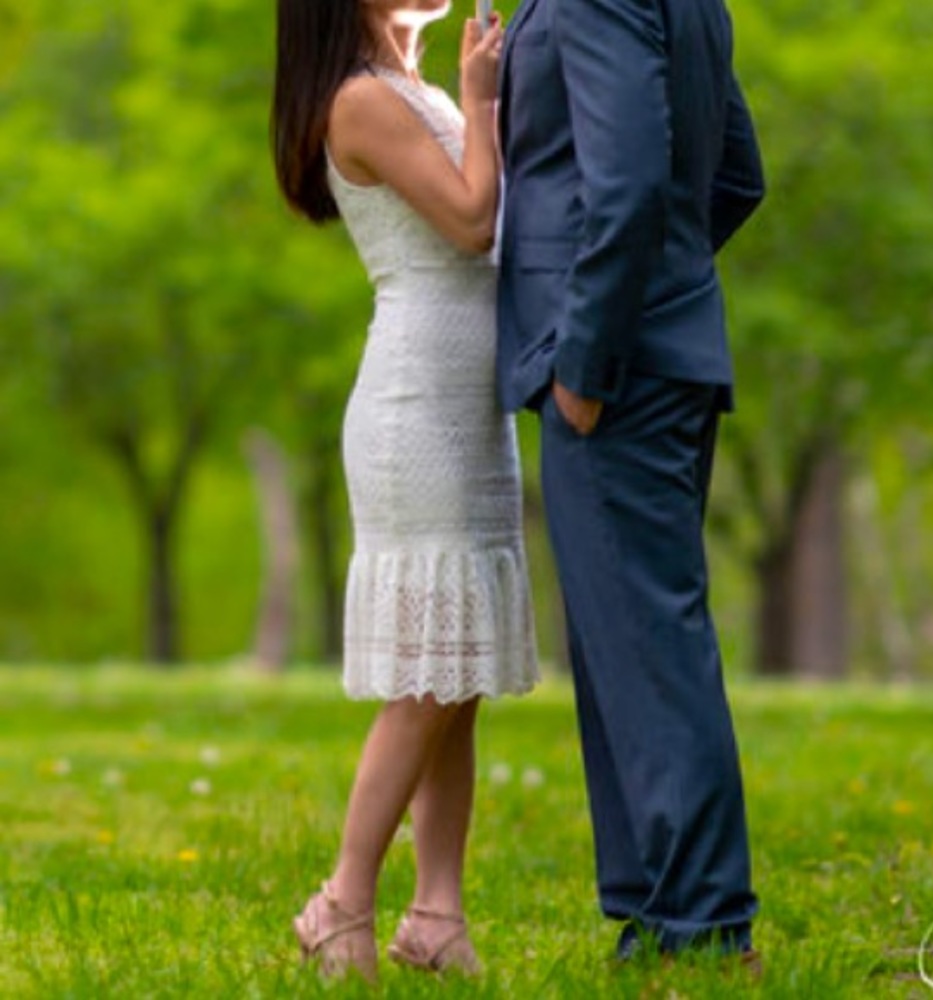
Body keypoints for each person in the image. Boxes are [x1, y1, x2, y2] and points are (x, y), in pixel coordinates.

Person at [271, 0, 538, 982]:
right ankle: (342, 899)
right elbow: (472, 223)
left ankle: (438, 912)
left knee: (457, 678)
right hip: (416, 403)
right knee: (427, 676)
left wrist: (469, 99)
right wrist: (484, 98)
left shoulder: (412, 90)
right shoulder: (357, 101)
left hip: (471, 406)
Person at [497, 0, 764, 966]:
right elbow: (737, 173)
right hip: (666, 349)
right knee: (625, 641)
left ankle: (699, 926)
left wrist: (588, 358)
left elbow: (633, 180)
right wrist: (677, 289)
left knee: (647, 644)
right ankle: (655, 913)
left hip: (611, 370)